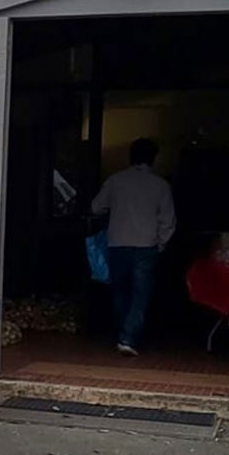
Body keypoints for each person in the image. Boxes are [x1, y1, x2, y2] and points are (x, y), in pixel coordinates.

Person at [92, 137, 175, 356]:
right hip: (147, 245)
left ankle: (123, 333)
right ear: (153, 159)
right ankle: (128, 337)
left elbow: (96, 207)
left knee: (120, 292)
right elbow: (168, 221)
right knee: (141, 295)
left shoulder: (115, 181)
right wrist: (161, 244)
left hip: (118, 243)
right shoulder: (160, 185)